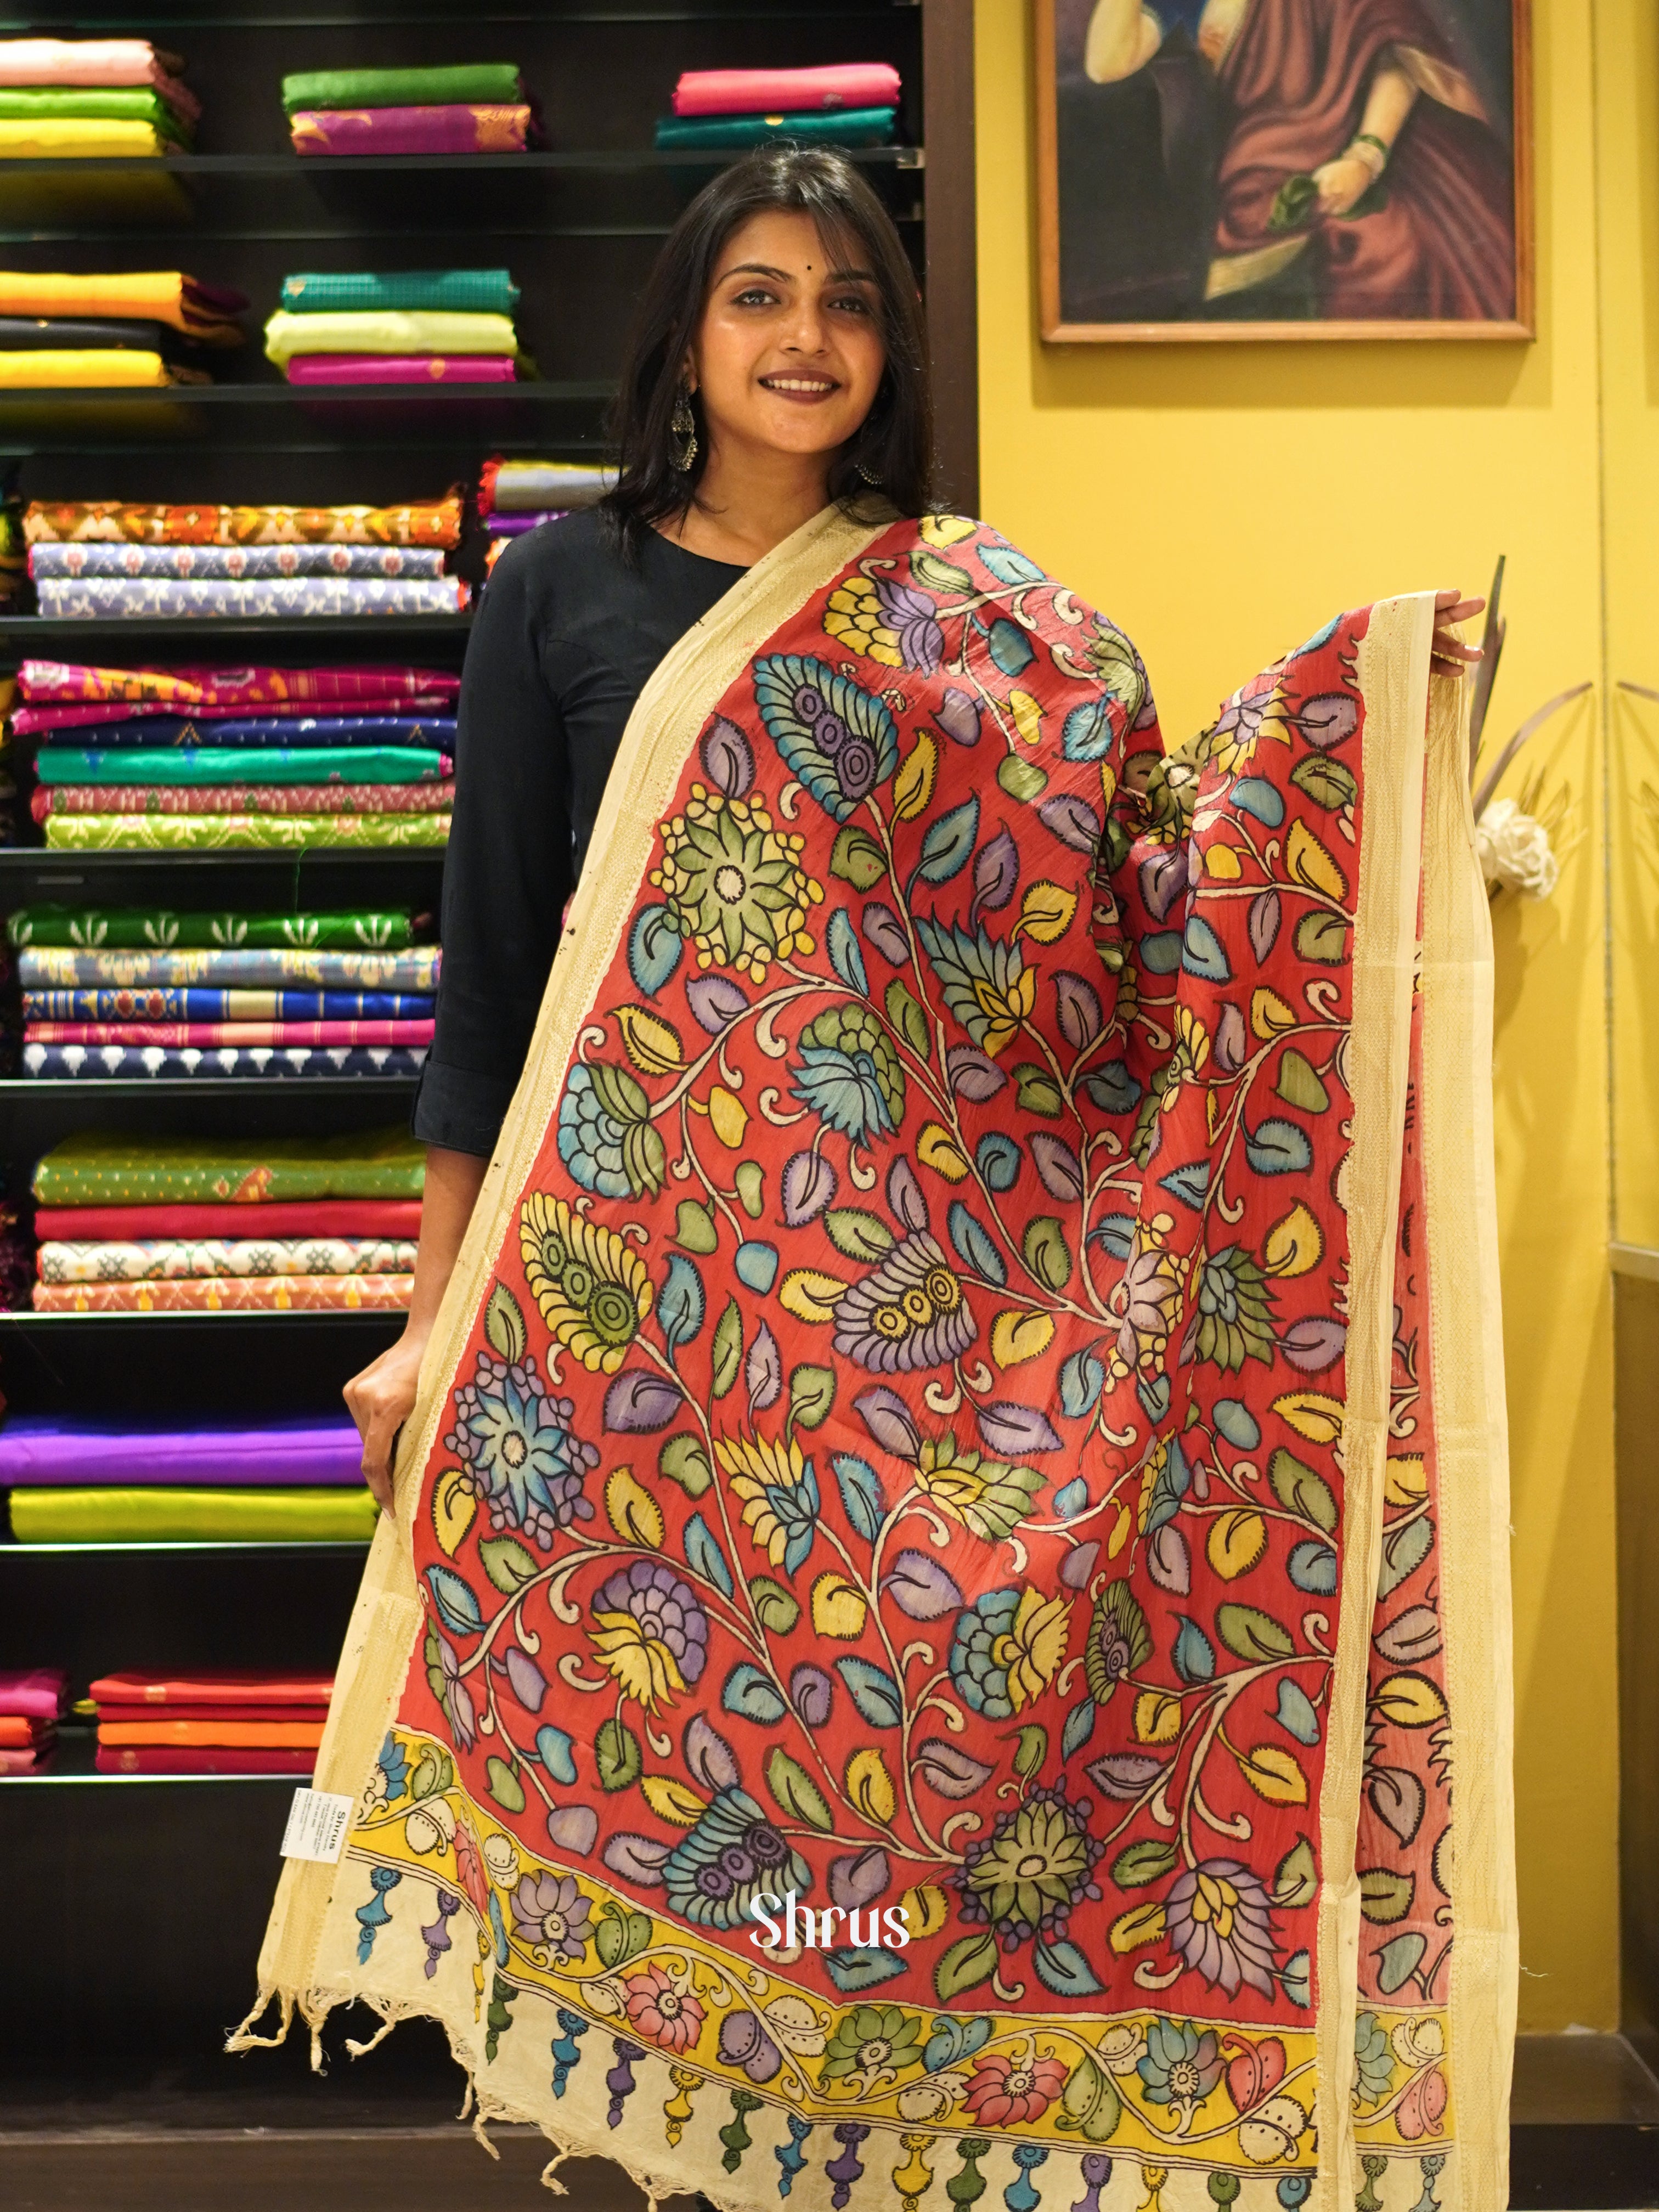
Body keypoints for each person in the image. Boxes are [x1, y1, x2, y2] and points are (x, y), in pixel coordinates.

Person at [345, 143, 1480, 1508]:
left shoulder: (972, 609)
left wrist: (1352, 715)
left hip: (891, 1292)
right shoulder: (558, 587)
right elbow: (494, 975)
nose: (807, 339)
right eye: (758, 298)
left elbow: (1126, 890)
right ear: (687, 333)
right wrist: (428, 1319)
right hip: (616, 1263)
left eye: (851, 304)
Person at [1081, 0, 1517, 318]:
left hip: (1375, 147)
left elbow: (1395, 55)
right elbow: (1106, 64)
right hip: (1259, 168)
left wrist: (1364, 159)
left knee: (1390, 244)